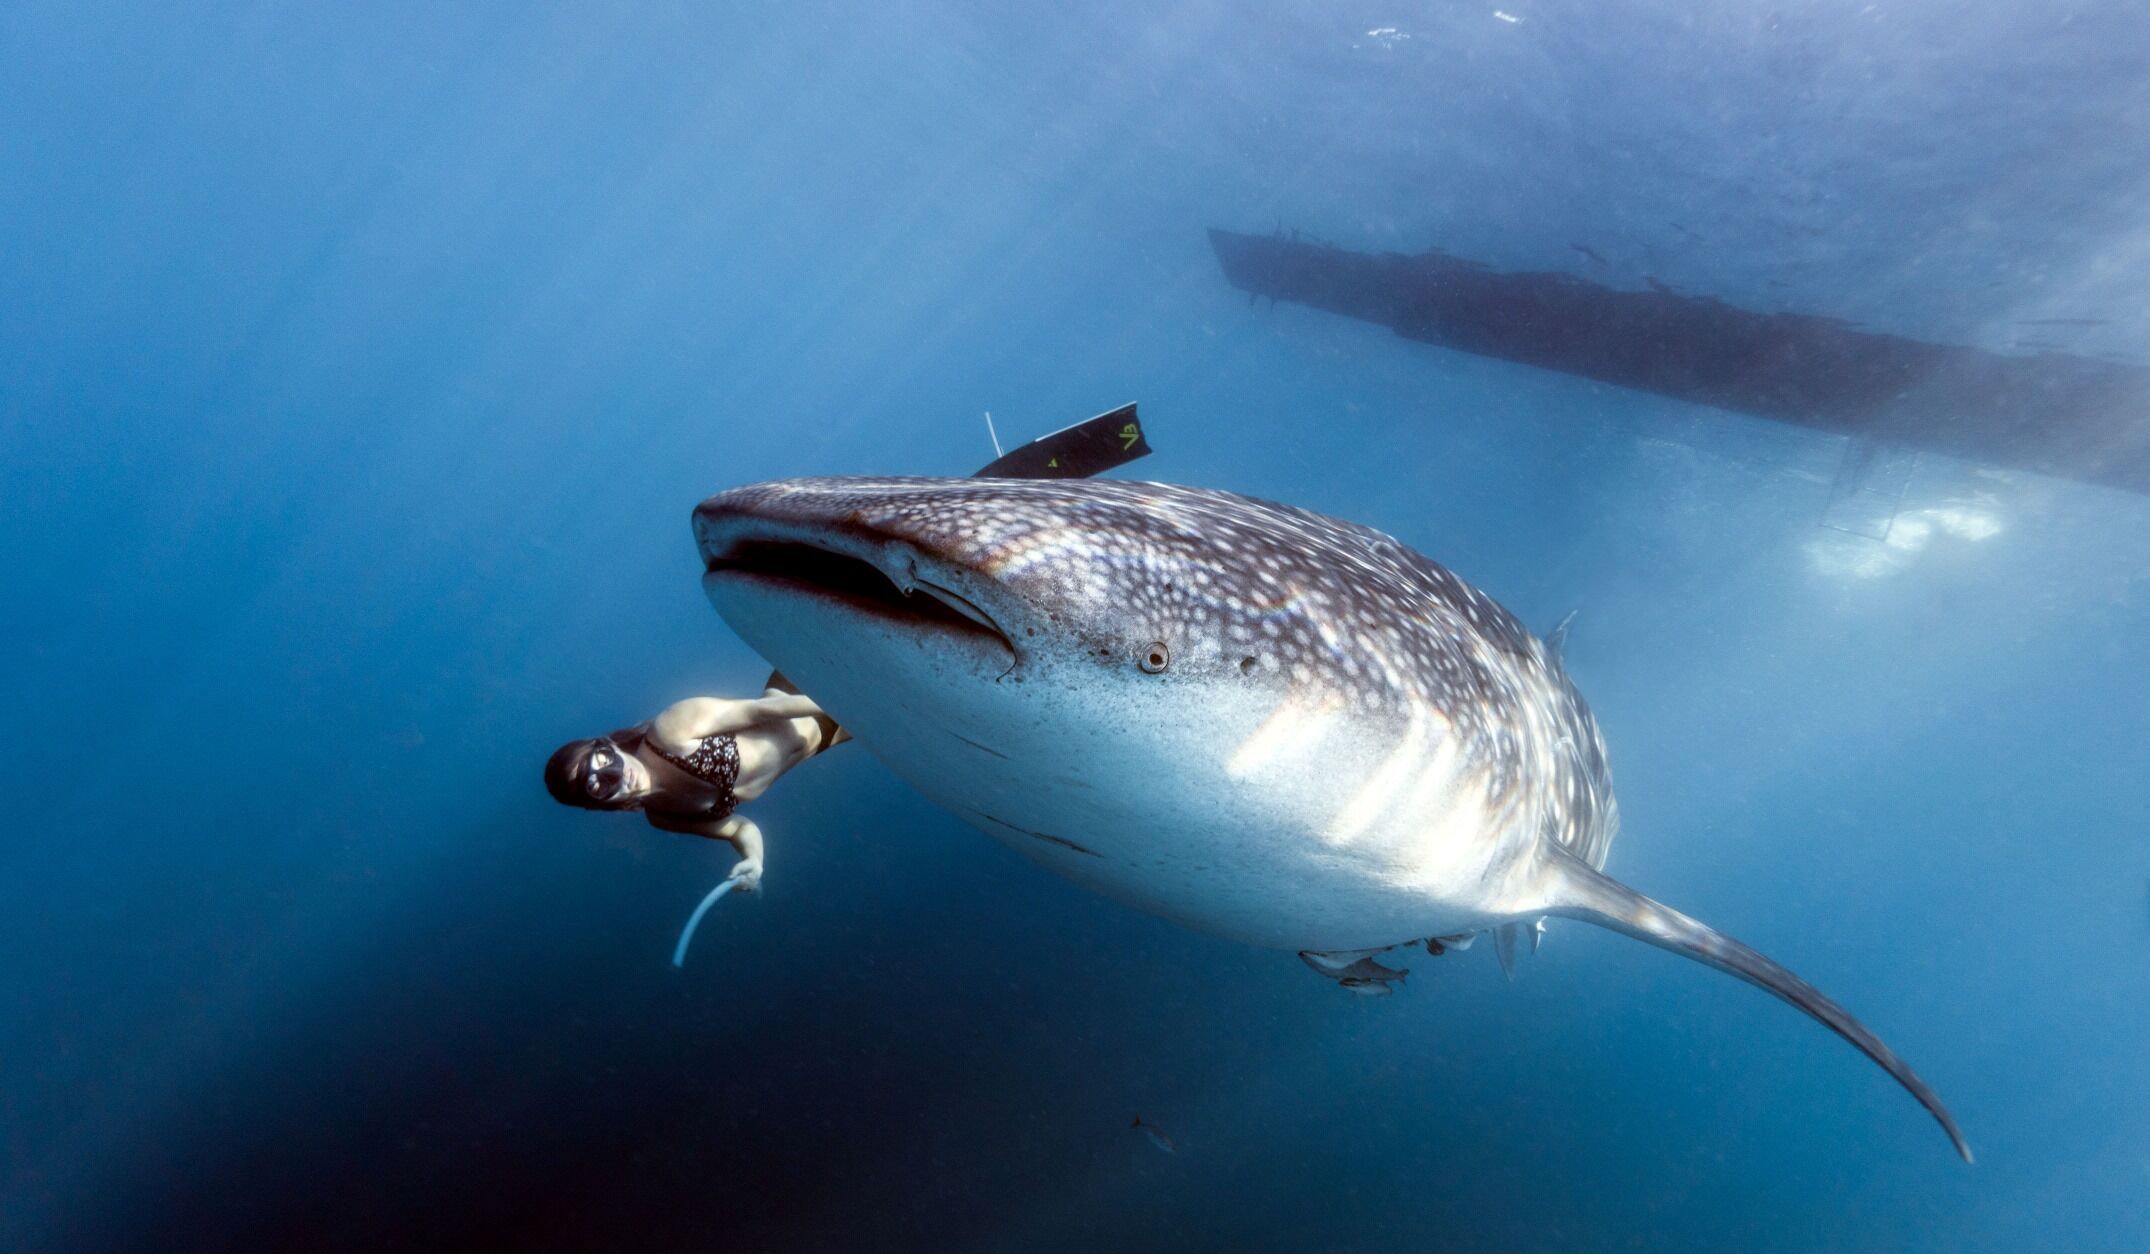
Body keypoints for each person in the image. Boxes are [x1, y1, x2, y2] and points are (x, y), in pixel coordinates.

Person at [544, 677, 846, 949]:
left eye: (604, 758)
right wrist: (754, 861)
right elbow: (739, 829)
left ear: (608, 745)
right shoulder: (666, 816)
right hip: (827, 737)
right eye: (599, 785)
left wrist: (838, 701)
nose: (619, 774)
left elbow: (758, 711)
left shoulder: (670, 733)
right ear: (600, 804)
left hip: (807, 691)